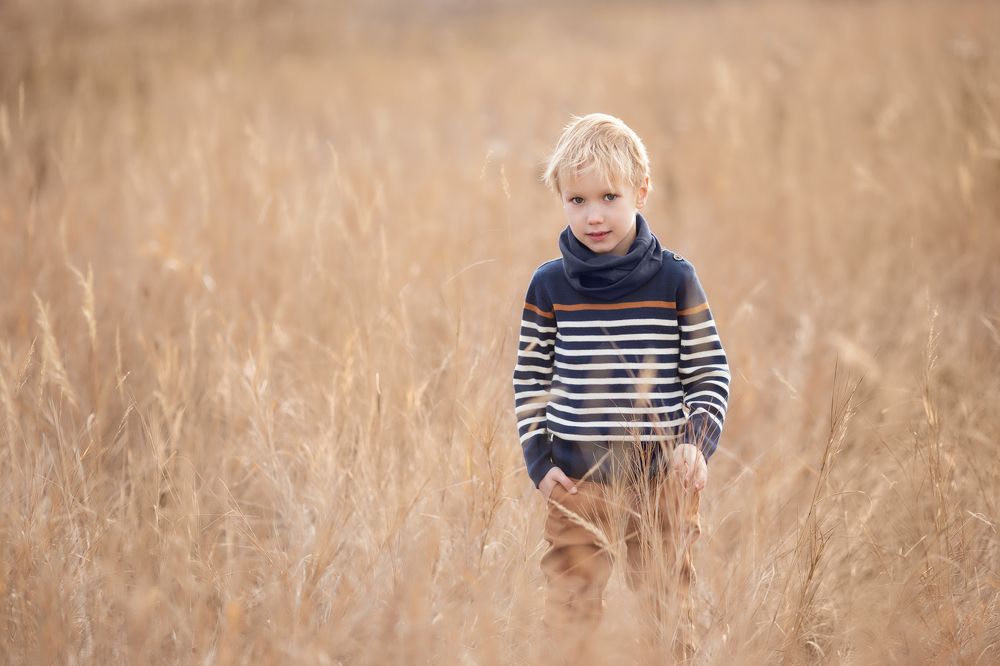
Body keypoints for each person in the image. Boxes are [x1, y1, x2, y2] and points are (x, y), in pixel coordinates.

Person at [512, 113, 730, 661]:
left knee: (666, 611)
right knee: (570, 612)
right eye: (577, 200)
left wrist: (694, 443)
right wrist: (540, 463)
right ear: (560, 200)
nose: (594, 215)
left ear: (642, 189)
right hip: (577, 484)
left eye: (609, 196)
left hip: (659, 479)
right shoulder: (550, 285)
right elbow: (530, 379)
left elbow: (709, 372)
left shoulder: (675, 279)